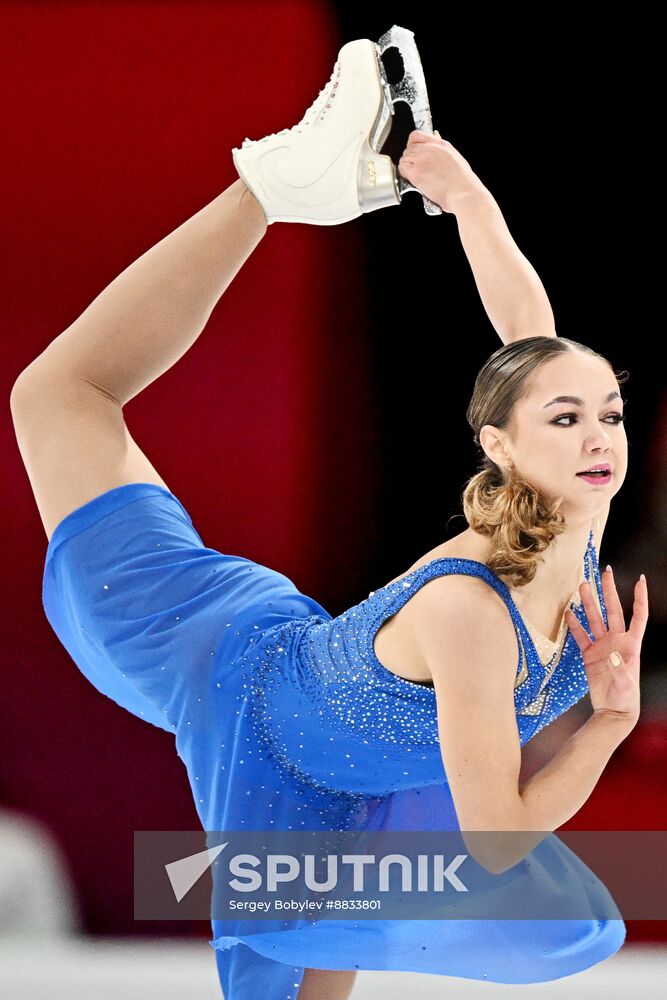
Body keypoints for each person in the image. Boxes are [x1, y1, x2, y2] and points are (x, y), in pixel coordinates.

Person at [9, 29, 648, 1000]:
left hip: (334, 749)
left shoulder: (573, 518)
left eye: (608, 413)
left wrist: (470, 202)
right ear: (502, 444)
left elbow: (532, 332)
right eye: (567, 417)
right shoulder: (473, 611)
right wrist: (607, 723)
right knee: (59, 395)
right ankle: (268, 187)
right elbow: (493, 837)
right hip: (223, 677)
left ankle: (284, 190)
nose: (601, 434)